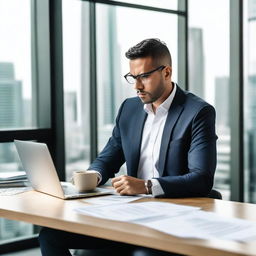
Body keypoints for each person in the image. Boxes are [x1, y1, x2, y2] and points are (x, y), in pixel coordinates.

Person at [39, 38, 217, 256]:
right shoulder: (129, 108)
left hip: (174, 217)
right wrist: (93, 176)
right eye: (133, 77)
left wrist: (147, 186)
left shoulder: (197, 112)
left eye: (144, 76)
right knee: (50, 235)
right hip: (131, 213)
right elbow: (109, 156)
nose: (137, 86)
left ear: (167, 73)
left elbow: (202, 178)